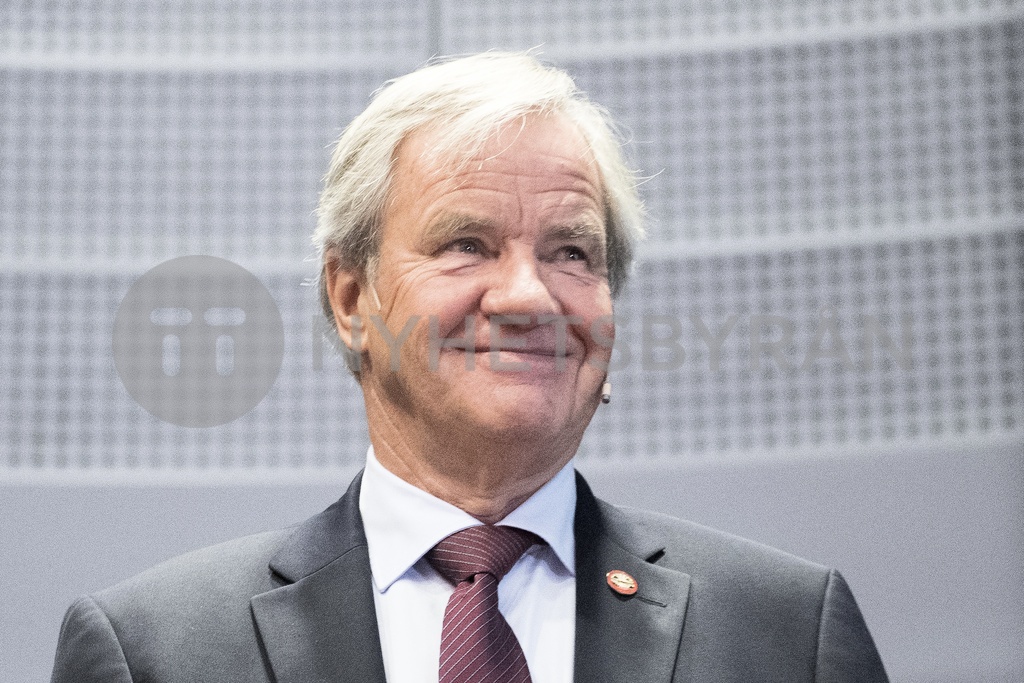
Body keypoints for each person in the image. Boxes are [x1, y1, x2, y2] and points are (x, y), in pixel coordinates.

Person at [51, 52, 888, 683]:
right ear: (351, 297)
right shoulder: (155, 651)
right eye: (466, 243)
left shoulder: (788, 634)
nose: (528, 294)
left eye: (572, 251)